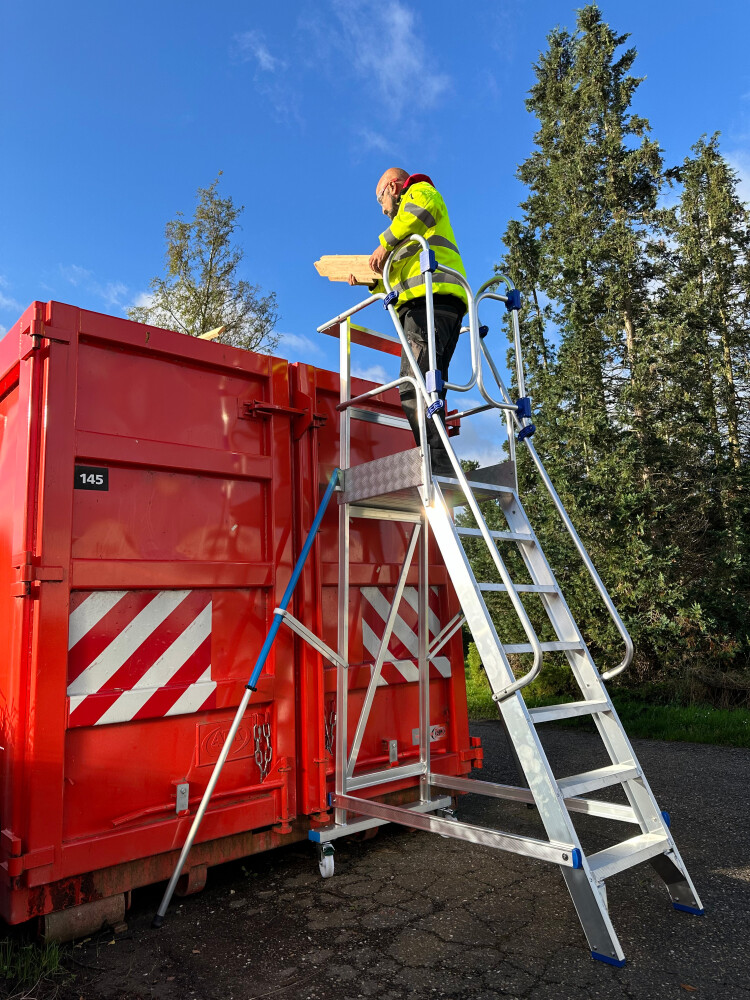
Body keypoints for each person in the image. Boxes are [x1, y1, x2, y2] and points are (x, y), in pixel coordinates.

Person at [350, 168, 467, 476]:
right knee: (430, 388)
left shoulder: (419, 192)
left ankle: (436, 465)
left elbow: (419, 212)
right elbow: (397, 272)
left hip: (427, 305)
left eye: (380, 198)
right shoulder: (407, 234)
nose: (382, 207)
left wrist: (384, 242)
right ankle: (438, 460)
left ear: (393, 186)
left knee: (412, 387)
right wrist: (368, 280)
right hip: (434, 306)